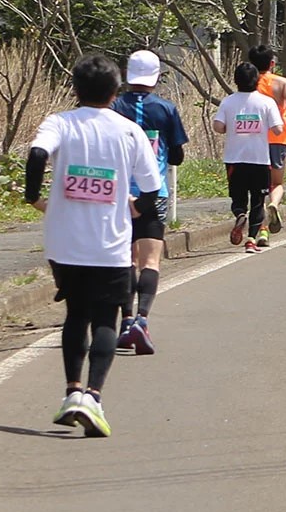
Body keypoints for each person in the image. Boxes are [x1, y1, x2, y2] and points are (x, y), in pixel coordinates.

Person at [26, 53, 161, 439]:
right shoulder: (128, 131)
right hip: (110, 243)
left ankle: (71, 392)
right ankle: (94, 397)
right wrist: (135, 209)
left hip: (64, 243)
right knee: (106, 319)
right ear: (115, 91)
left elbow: (37, 154)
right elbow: (152, 189)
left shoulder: (60, 123)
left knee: (75, 315)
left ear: (75, 88)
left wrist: (33, 196)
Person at [111, 50, 187, 355]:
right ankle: (143, 318)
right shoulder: (166, 109)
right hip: (153, 193)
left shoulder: (114, 106)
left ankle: (126, 319)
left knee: (125, 260)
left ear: (128, 74)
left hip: (117, 196)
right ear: (156, 77)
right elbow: (178, 155)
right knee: (150, 261)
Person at [213, 62, 283, 251]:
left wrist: (231, 126)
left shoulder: (228, 101)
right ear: (257, 80)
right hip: (259, 160)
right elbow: (278, 129)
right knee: (258, 201)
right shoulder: (266, 102)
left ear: (236, 80)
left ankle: (239, 215)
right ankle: (251, 239)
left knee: (238, 198)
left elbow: (218, 127)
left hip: (234, 159)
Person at [250, 44, 286, 236]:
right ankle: (274, 204)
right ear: (272, 63)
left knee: (258, 186)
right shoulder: (283, 82)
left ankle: (262, 229)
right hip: (278, 136)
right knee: (276, 183)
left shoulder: (249, 82)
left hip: (254, 138)